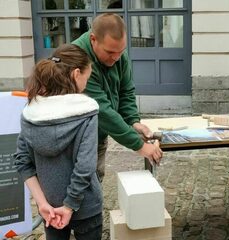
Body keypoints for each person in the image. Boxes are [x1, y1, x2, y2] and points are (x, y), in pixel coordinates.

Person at [14, 44, 103, 240]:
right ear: (76, 74)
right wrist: (70, 206)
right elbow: (85, 167)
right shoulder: (86, 112)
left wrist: (42, 204)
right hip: (86, 205)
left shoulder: (30, 113)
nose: (86, 84)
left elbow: (22, 161)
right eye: (87, 78)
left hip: (50, 207)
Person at [72, 13, 163, 182]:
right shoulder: (78, 59)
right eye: (110, 52)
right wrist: (139, 145)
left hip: (97, 135)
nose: (116, 57)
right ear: (93, 39)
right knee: (79, 186)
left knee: (95, 182)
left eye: (121, 51)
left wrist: (133, 122)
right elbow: (101, 109)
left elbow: (126, 90)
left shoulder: (118, 53)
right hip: (75, 139)